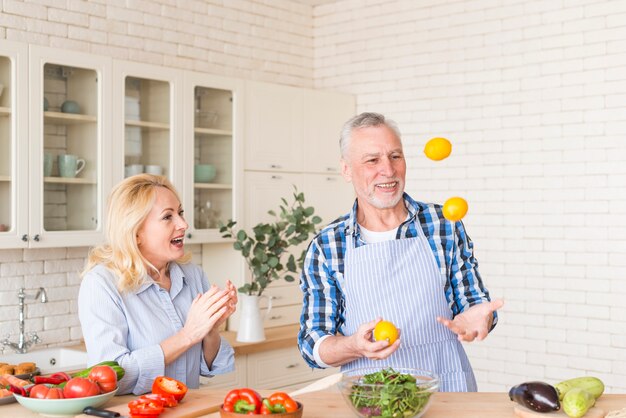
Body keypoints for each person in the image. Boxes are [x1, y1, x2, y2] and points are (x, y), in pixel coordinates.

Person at [297, 112, 504, 391]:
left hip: (447, 388)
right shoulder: (327, 245)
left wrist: (480, 317)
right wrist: (353, 346)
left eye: (395, 156)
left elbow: (475, 303)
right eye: (372, 160)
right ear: (346, 170)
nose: (389, 170)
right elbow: (313, 343)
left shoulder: (443, 224)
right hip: (370, 396)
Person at [78, 174, 237, 395]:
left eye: (180, 213)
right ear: (136, 232)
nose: (183, 224)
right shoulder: (102, 284)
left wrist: (211, 328)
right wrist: (187, 335)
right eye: (167, 217)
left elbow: (206, 367)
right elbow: (108, 378)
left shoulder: (193, 275)